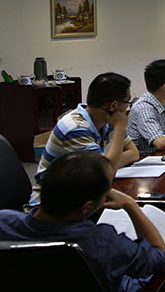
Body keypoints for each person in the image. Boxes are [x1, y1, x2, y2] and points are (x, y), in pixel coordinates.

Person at [0, 152, 165, 292]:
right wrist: (131, 206)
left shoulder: (0, 222)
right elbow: (162, 260)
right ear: (87, 207)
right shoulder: (101, 242)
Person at [30, 72, 139, 206]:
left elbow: (134, 153)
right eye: (127, 102)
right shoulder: (75, 129)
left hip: (82, 196)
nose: (127, 108)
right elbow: (105, 175)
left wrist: (109, 164)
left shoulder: (106, 121)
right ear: (113, 106)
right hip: (53, 208)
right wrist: (120, 129)